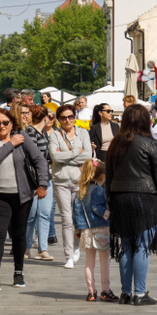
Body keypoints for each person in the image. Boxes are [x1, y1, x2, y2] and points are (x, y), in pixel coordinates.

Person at [0, 108, 49, 292]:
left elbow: (40, 160)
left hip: (22, 195)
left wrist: (42, 184)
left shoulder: (22, 137)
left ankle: (19, 272)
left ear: (12, 123)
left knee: (19, 234)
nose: (2, 126)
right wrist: (10, 143)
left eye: (5, 122)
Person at [106, 104, 157, 306]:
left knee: (125, 244)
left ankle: (125, 293)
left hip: (119, 197)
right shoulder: (150, 144)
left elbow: (108, 176)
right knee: (142, 244)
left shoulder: (115, 144)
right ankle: (140, 294)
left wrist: (110, 200)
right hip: (145, 197)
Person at [49, 104, 93, 269]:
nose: (67, 120)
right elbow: (55, 157)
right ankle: (68, 256)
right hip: (61, 181)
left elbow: (87, 156)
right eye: (63, 117)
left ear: (75, 117)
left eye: (70, 116)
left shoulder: (83, 133)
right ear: (59, 119)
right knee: (66, 219)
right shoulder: (55, 134)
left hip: (79, 181)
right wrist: (76, 152)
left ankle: (76, 248)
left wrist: (65, 157)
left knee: (78, 219)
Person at [73, 158, 115, 302]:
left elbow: (76, 213)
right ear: (102, 177)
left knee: (89, 263)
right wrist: (108, 215)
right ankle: (106, 290)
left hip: (86, 230)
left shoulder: (81, 191)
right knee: (104, 262)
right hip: (101, 229)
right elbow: (97, 208)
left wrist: (78, 230)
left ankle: (91, 292)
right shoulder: (98, 189)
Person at [24, 105, 55, 261]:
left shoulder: (43, 133)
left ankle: (43, 249)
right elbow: (33, 158)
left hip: (45, 178)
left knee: (45, 214)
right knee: (31, 215)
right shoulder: (30, 132)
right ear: (45, 118)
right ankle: (26, 247)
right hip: (33, 180)